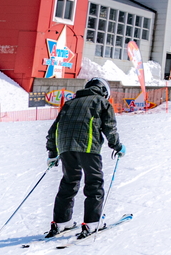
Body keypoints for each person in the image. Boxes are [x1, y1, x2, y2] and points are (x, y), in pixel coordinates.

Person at [45, 78, 124, 238]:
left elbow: (54, 129)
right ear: (104, 91)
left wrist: (53, 153)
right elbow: (109, 127)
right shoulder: (102, 102)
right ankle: (92, 222)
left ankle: (61, 222)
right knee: (94, 183)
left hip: (65, 148)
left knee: (69, 181)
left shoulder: (69, 103)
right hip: (88, 147)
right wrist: (117, 146)